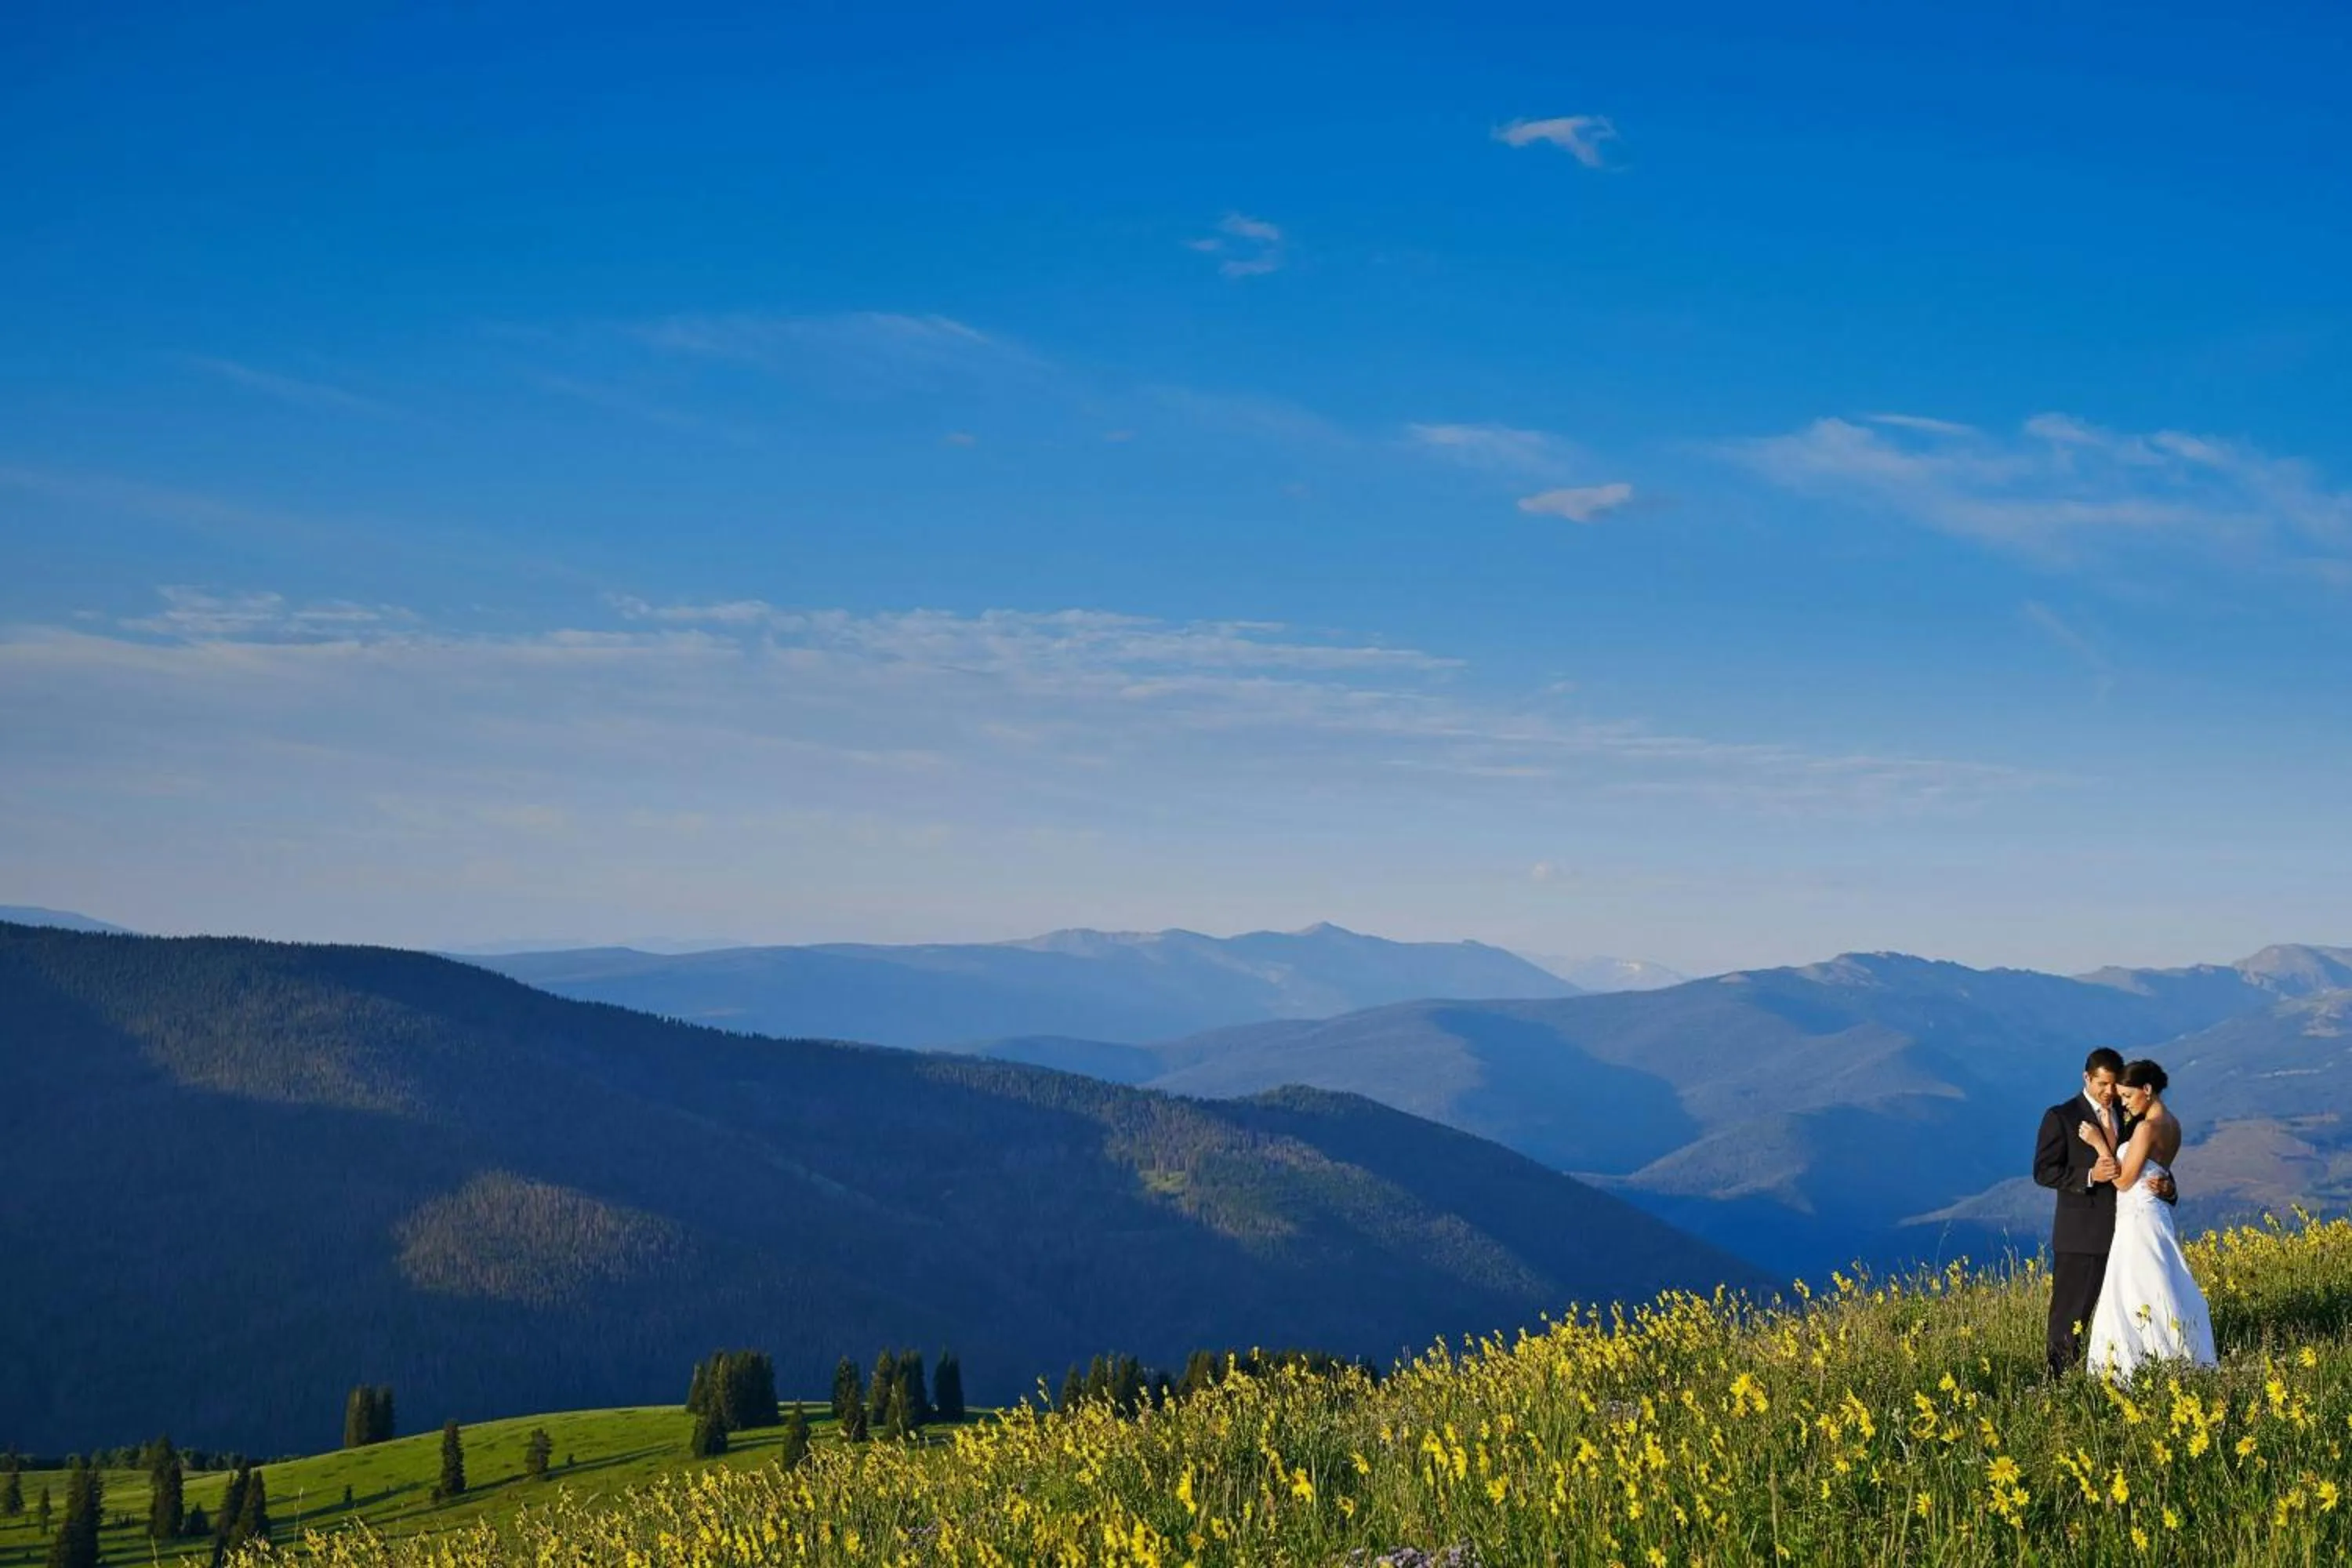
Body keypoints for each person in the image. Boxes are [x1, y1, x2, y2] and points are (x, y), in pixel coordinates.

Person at [2031, 1047, 2175, 1377]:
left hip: (2127, 1234)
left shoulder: (2131, 1116)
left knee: (2124, 1311)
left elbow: (2146, 1163)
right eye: (2102, 1084)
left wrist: (2169, 1188)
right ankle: (2059, 1380)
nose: (2110, 1093)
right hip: (2081, 1236)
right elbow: (2043, 1171)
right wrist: (2089, 1176)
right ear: (2087, 1078)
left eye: (2114, 1085)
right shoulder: (2062, 1116)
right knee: (2071, 1315)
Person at [2074, 1058, 2216, 1381]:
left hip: (2137, 1220)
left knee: (2133, 1289)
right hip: (2156, 1212)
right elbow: (2158, 1171)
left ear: (2147, 1091)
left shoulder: (2147, 1128)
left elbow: (2124, 1181)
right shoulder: (2174, 1125)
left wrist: (2099, 1145)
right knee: (2161, 1282)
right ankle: (2174, 1354)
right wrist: (2167, 1188)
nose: (2123, 1103)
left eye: (2127, 1096)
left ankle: (2135, 1364)